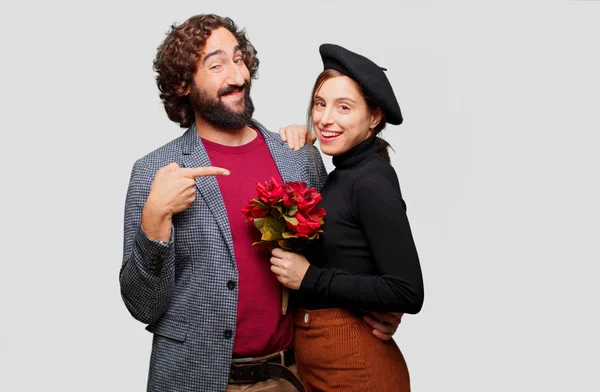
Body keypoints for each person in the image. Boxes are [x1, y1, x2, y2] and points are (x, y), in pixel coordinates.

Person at [120, 15, 403, 392]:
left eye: (239, 59)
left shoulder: (297, 157)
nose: (237, 75)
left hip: (291, 376)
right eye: (216, 64)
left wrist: (382, 307)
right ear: (181, 84)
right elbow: (143, 306)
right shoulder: (153, 172)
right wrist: (154, 219)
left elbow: (337, 257)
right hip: (192, 379)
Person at [269, 44, 425, 391]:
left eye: (344, 107)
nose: (325, 118)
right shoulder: (342, 175)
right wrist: (301, 138)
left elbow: (407, 290)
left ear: (374, 117)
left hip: (356, 366)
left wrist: (309, 278)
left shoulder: (371, 180)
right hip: (324, 360)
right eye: (320, 104)